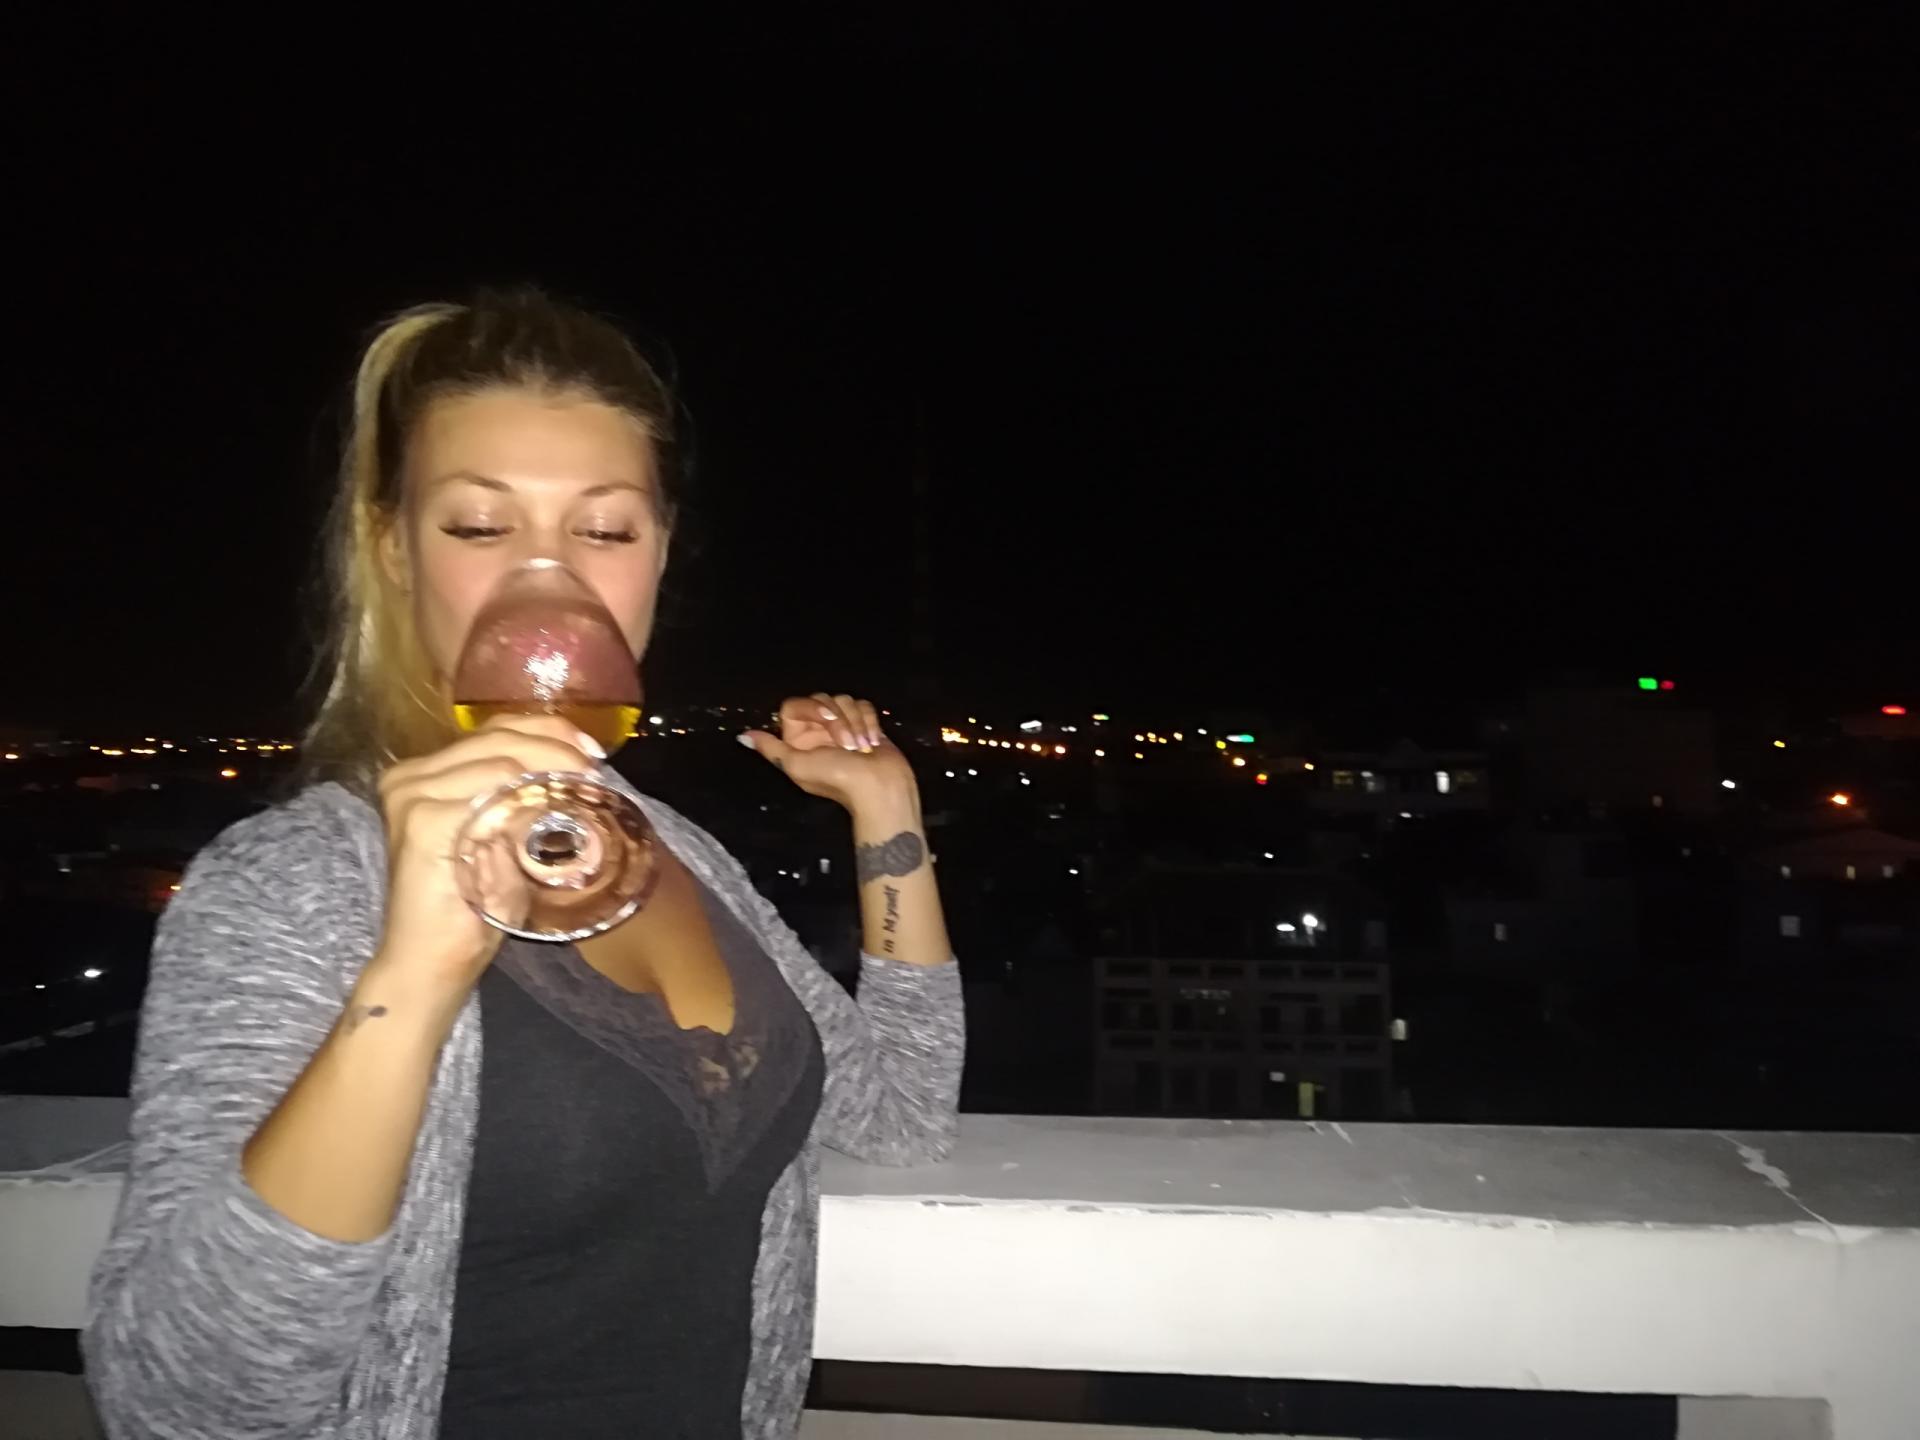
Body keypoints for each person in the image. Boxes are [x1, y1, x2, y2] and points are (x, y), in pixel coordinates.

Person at [81, 288, 965, 1439]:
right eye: (479, 528)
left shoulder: (674, 851)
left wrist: (886, 812)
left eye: (606, 532)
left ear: (659, 556)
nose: (550, 587)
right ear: (394, 551)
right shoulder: (293, 885)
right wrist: (412, 980)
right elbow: (181, 1403)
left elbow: (895, 1112)